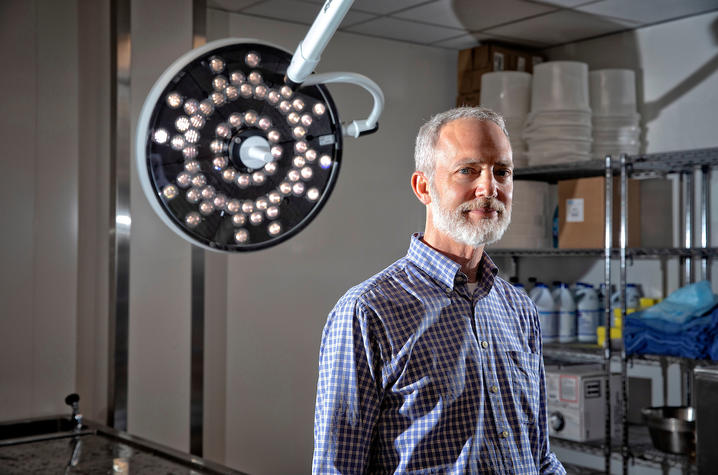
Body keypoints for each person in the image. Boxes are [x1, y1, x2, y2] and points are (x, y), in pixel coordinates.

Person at [312, 107, 565, 474]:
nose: (488, 188)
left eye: (502, 172)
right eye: (468, 170)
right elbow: (338, 468)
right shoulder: (368, 311)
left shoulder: (519, 310)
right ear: (423, 187)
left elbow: (539, 456)